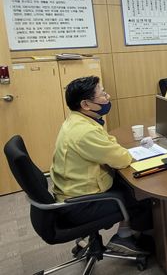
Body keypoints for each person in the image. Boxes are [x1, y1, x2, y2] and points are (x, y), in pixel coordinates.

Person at [50, 76, 151, 255]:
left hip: (71, 193)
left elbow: (108, 143)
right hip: (81, 204)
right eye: (103, 94)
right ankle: (125, 237)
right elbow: (122, 159)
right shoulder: (84, 131)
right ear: (86, 104)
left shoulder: (77, 120)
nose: (108, 96)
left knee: (127, 183)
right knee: (142, 192)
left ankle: (129, 232)